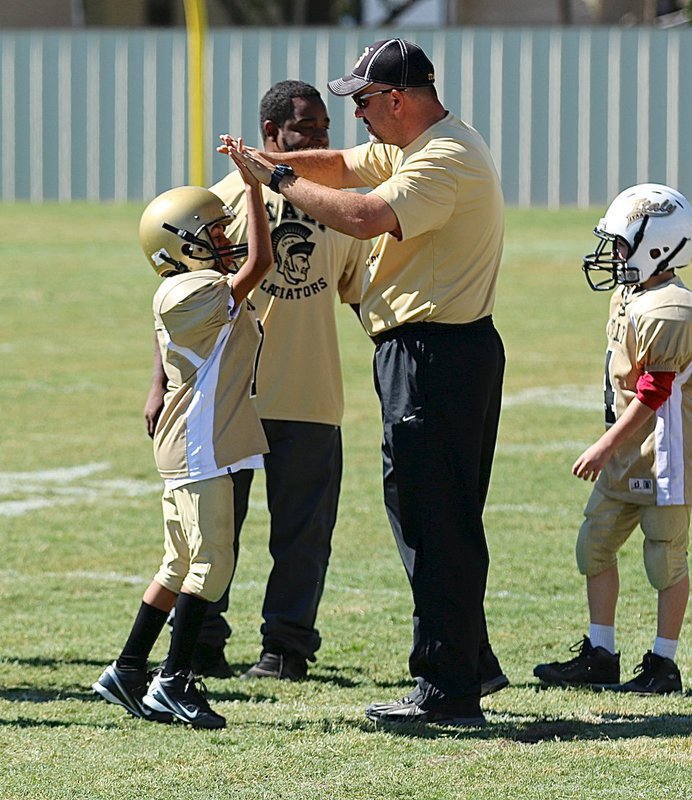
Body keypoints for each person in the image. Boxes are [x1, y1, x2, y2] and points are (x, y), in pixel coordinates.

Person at [221, 38, 507, 726]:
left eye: (363, 102)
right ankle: (469, 665)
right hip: (433, 353)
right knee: (431, 516)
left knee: (432, 520)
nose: (356, 116)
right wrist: (261, 162)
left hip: (434, 355)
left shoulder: (443, 159)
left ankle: (447, 691)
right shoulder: (417, 144)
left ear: (398, 101)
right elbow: (344, 166)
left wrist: (278, 182)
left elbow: (364, 213)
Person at [146, 80, 371, 681]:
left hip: (312, 394)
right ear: (271, 135)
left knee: (303, 536)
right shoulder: (217, 203)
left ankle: (286, 650)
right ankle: (203, 644)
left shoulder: (336, 204)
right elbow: (176, 300)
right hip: (229, 401)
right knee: (216, 531)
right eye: (307, 130)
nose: (322, 139)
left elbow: (359, 295)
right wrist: (158, 383)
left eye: (326, 128)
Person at [93, 160, 273, 728]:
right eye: (214, 235)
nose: (225, 242)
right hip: (199, 442)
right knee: (212, 562)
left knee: (178, 562)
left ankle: (127, 670)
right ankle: (174, 681)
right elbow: (262, 265)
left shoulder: (184, 287)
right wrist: (252, 185)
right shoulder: (186, 291)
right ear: (179, 248)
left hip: (198, 438)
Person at [534, 183, 692, 695]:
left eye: (622, 245)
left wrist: (604, 446)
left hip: (667, 456)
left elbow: (654, 392)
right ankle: (600, 654)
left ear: (657, 245)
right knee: (594, 547)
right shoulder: (632, 293)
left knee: (663, 558)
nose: (614, 256)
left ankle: (663, 664)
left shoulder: (671, 307)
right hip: (628, 453)